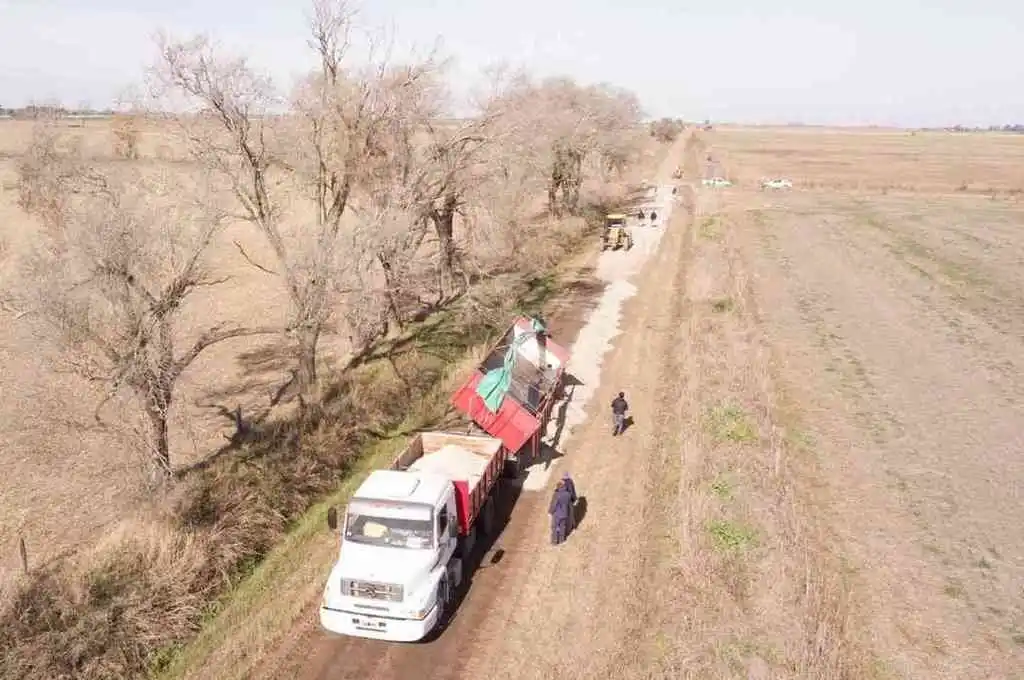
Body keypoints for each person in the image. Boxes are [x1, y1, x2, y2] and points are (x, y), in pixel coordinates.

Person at [548, 479, 573, 545]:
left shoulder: (557, 494)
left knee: (554, 527)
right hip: (565, 514)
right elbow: (569, 505)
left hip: (557, 514)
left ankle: (554, 542)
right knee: (562, 527)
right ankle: (561, 540)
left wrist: (550, 512)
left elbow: (553, 504)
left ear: (558, 486)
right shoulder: (568, 494)